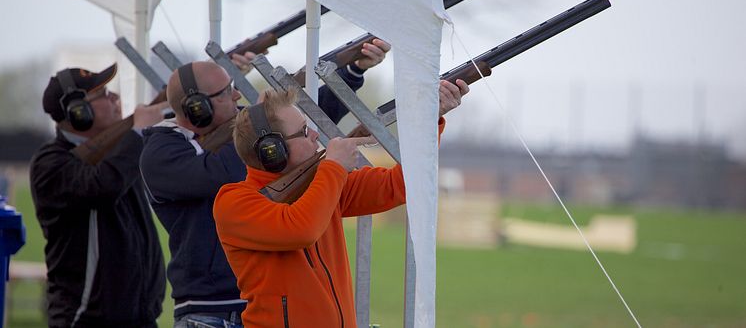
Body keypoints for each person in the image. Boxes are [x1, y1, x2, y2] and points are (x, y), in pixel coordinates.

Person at [138, 40, 390, 327]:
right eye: (224, 93)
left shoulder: (242, 136)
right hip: (207, 312)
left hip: (253, 303)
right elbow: (222, 169)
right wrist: (262, 130)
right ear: (197, 108)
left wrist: (351, 73)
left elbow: (297, 134)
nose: (236, 95)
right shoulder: (160, 152)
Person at [213, 79, 469, 327]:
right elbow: (301, 229)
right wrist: (333, 166)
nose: (314, 135)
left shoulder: (322, 183)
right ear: (273, 150)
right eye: (303, 131)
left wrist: (428, 121)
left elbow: (401, 186)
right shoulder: (234, 202)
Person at [29, 64, 167, 328]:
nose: (115, 98)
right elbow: (103, 186)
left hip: (140, 319)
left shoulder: (119, 150)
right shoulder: (50, 163)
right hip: (86, 320)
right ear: (78, 113)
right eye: (103, 93)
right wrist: (136, 133)